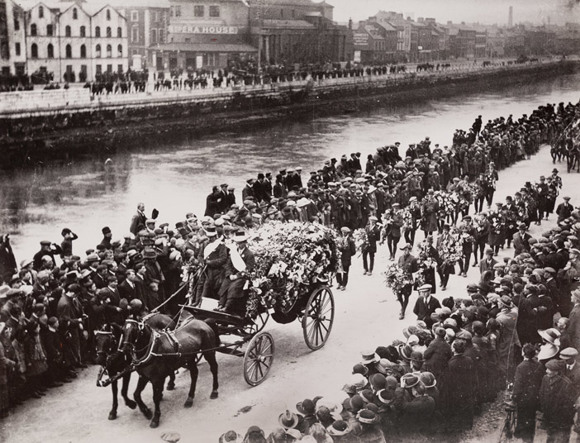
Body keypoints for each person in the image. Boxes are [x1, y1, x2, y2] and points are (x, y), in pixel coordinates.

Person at [217, 230, 255, 317]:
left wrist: (237, 276)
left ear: (245, 243)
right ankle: (220, 305)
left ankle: (227, 307)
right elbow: (228, 265)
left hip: (243, 277)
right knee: (225, 284)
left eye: (241, 243)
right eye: (237, 242)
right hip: (232, 275)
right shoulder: (234, 252)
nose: (239, 244)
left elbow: (248, 269)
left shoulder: (249, 254)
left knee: (234, 287)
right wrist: (230, 274)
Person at [539, 359, 577, 443]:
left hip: (561, 420)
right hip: (549, 417)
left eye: (549, 370)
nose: (546, 371)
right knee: (550, 439)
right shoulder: (545, 378)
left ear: (556, 372)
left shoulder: (566, 383)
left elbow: (569, 404)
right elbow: (542, 394)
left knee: (561, 439)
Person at [513, 343, 544, 442]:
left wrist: (514, 397)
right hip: (534, 397)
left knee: (522, 418)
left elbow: (518, 385)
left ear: (523, 353)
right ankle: (530, 437)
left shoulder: (521, 367)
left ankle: (525, 438)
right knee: (531, 418)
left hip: (523, 399)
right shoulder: (539, 365)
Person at [397, 244, 418, 320]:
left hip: (408, 280)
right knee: (398, 295)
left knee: (406, 296)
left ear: (409, 250)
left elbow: (415, 271)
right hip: (400, 280)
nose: (406, 251)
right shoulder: (400, 258)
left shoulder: (413, 259)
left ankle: (403, 311)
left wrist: (413, 281)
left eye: (407, 250)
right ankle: (402, 307)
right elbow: (398, 268)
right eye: (404, 250)